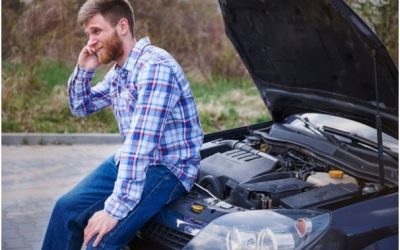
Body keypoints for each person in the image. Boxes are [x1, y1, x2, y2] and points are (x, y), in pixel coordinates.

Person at [41, 0, 203, 249]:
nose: (91, 42)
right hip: (136, 160)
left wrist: (113, 211)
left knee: (99, 240)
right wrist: (84, 69)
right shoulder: (121, 72)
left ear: (122, 26)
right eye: (88, 34)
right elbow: (81, 106)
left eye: (96, 31)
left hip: (169, 168)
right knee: (66, 210)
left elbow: (141, 145)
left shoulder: (155, 67)